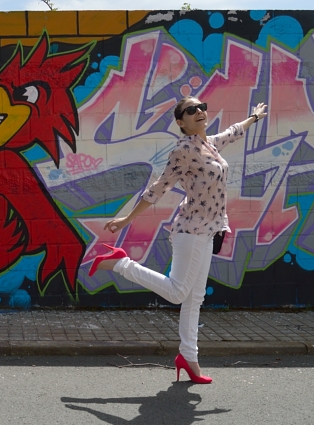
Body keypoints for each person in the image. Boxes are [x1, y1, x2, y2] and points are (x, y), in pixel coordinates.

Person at [89, 97, 268, 384]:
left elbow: (233, 132)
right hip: (191, 231)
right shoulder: (183, 150)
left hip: (209, 231)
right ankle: (121, 263)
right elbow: (158, 188)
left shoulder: (209, 144)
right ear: (180, 122)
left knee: (195, 298)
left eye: (202, 107)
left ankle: (189, 358)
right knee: (178, 293)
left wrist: (254, 117)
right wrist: (126, 219)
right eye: (190, 110)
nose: (199, 112)